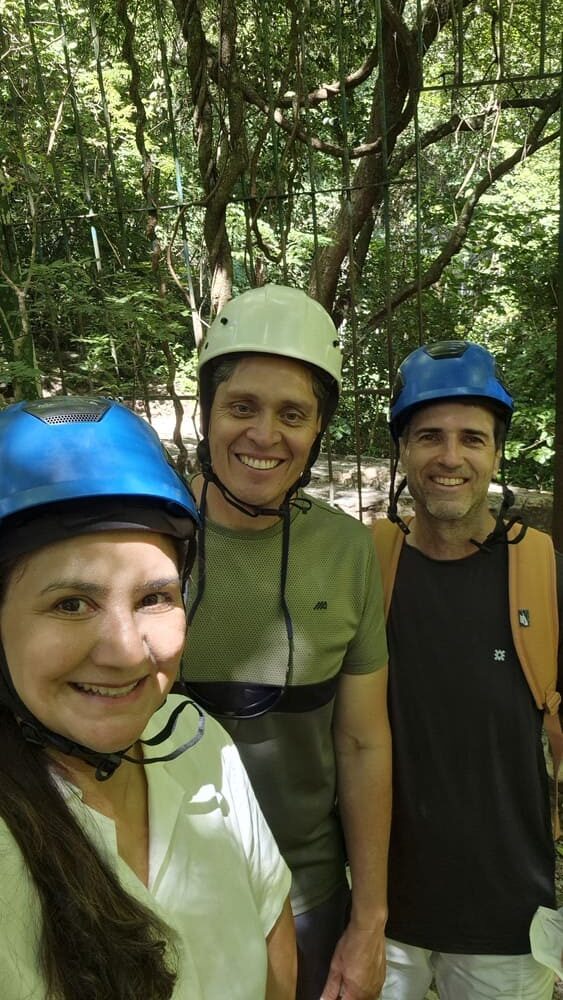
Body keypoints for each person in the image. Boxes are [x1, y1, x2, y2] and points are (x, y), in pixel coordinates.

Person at [0, 395, 295, 1000]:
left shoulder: (196, 739)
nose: (129, 652)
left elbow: (273, 939)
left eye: (154, 598)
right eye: (71, 604)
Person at [182, 283, 391, 1000]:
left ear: (317, 431)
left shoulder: (344, 549)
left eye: (291, 415)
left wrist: (368, 923)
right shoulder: (146, 537)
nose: (264, 435)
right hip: (161, 900)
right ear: (206, 414)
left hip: (306, 900)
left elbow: (362, 742)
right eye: (241, 406)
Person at [373, 340, 562, 1000]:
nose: (449, 458)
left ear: (495, 451)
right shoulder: (369, 564)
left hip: (507, 922)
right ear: (402, 450)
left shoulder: (540, 570)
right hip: (379, 914)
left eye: (470, 438)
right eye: (428, 436)